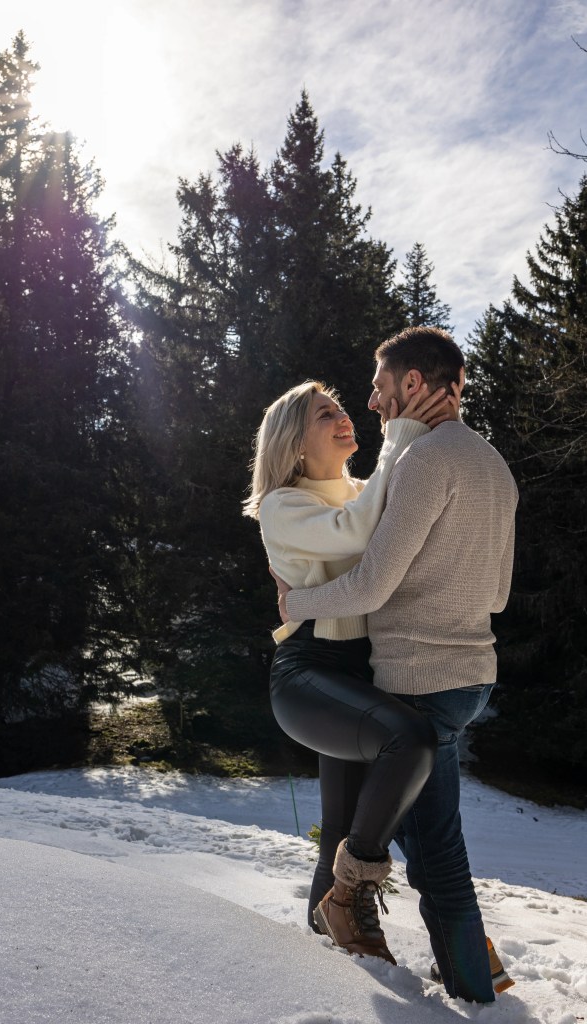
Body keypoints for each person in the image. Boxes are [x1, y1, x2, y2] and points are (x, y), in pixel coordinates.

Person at [275, 326, 519, 1004]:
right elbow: (496, 592)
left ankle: (475, 990)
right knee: (428, 840)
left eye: (380, 386)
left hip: (417, 679)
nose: (372, 399)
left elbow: (373, 586)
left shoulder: (423, 462)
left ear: (413, 384)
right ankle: (472, 969)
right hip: (473, 675)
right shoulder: (493, 465)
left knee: (437, 853)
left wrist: (299, 600)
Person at [243, 375, 458, 965]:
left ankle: (329, 963)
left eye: (341, 409)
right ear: (293, 442)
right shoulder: (282, 506)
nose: (343, 419)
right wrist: (400, 433)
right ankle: (352, 896)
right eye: (324, 415)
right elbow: (359, 530)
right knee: (410, 740)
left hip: (363, 674)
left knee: (337, 830)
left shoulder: (365, 488)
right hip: (309, 674)